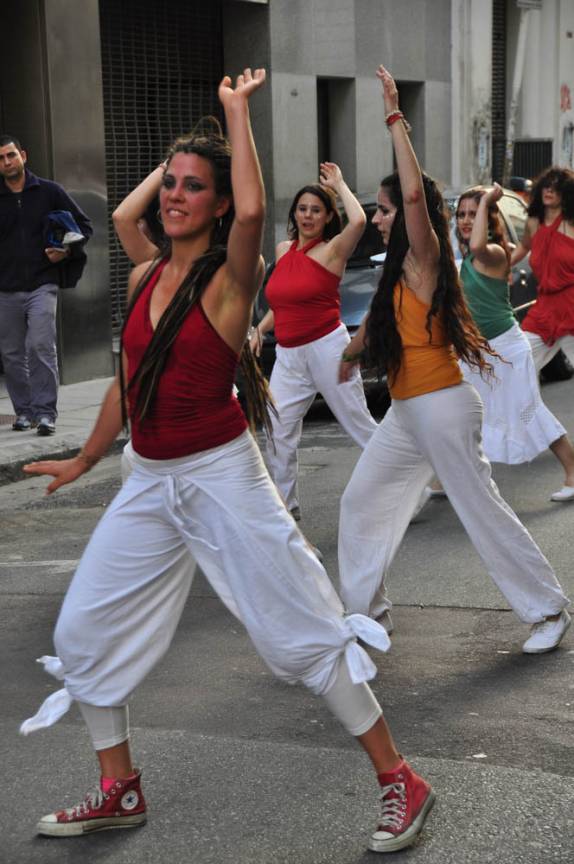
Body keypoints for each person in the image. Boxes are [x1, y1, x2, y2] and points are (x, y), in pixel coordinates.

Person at [20, 69, 434, 854]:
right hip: (149, 478)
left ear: (216, 206)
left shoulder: (230, 282)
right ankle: (120, 786)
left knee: (301, 632)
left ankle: (400, 781)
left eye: (191, 188)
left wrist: (233, 116)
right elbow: (127, 374)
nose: (172, 196)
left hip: (221, 474)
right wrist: (85, 458)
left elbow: (249, 208)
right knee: (83, 629)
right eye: (169, 185)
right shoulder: (146, 275)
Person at [336, 65, 570, 656]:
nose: (381, 216)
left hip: (442, 404)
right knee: (361, 501)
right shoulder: (397, 272)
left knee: (478, 508)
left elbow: (415, 193)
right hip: (408, 410)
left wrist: (394, 117)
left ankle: (548, 608)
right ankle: (368, 615)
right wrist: (349, 352)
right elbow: (379, 326)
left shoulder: (427, 256)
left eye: (384, 210)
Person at [250, 164, 377, 521]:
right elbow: (283, 302)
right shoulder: (284, 248)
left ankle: (406, 485)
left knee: (358, 424)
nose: (308, 215)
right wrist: (259, 329)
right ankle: (286, 514)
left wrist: (339, 184)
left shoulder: (333, 250)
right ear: (294, 213)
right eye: (302, 208)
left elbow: (359, 223)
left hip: (328, 348)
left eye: (316, 210)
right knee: (277, 431)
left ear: (326, 218)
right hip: (289, 356)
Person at [444, 184, 574, 501]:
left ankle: (573, 472)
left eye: (474, 214)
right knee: (456, 411)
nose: (464, 220)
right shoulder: (461, 258)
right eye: (461, 214)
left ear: (489, 219)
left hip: (506, 349)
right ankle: (439, 479)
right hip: (474, 351)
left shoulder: (495, 252)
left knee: (529, 412)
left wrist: (488, 198)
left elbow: (476, 246)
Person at [0, 135, 92, 435]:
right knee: (12, 354)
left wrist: (65, 252)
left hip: (43, 283)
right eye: (1, 159)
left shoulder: (50, 191)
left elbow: (84, 227)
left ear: (23, 155)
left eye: (11, 155)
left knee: (40, 345)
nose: (7, 162)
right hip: (6, 288)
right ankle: (24, 413)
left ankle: (45, 413)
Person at [511, 167, 574, 391]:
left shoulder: (571, 224)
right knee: (521, 360)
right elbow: (523, 247)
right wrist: (501, 267)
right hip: (545, 307)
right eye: (546, 185)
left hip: (571, 304)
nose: (549, 190)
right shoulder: (533, 223)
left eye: (556, 187)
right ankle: (529, 419)